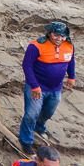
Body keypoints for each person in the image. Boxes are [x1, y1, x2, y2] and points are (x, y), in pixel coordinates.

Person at [19, 21, 75, 154]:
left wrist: (71, 77)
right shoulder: (36, 46)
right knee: (31, 114)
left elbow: (71, 61)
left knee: (48, 112)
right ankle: (26, 140)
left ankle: (39, 127)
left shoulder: (69, 45)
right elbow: (26, 66)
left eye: (62, 36)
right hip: (37, 87)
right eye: (56, 35)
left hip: (56, 88)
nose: (59, 38)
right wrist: (34, 85)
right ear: (50, 33)